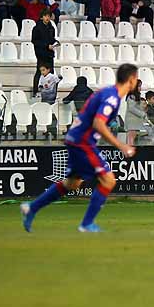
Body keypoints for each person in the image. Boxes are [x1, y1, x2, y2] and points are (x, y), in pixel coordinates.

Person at [20, 63, 139, 234]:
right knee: (108, 180)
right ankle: (87, 224)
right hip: (82, 142)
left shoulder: (107, 92)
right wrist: (121, 145)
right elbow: (98, 123)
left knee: (72, 183)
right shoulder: (112, 98)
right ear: (131, 79)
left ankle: (31, 208)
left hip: (75, 138)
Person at [31, 8, 57, 96]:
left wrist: (56, 42)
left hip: (49, 54)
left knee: (51, 73)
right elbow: (35, 41)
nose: (47, 18)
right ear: (42, 17)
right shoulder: (36, 28)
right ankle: (35, 91)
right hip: (41, 53)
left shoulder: (51, 28)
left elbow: (52, 39)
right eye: (45, 16)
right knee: (39, 72)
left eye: (49, 16)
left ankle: (52, 92)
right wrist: (46, 45)